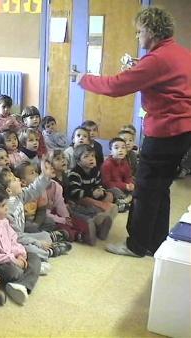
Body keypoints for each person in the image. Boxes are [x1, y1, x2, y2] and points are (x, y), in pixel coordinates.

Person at [74, 7, 191, 257]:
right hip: (182, 132)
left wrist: (84, 78)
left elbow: (116, 86)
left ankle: (136, 245)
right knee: (161, 188)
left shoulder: (157, 59)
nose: (138, 37)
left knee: (146, 189)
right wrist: (139, 66)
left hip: (164, 133)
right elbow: (164, 76)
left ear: (150, 30)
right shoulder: (180, 53)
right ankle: (156, 241)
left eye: (139, 33)